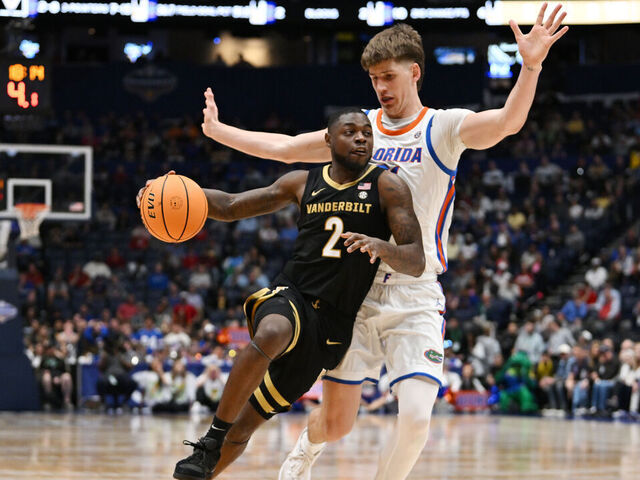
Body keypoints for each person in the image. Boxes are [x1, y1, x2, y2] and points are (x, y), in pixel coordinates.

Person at [196, 5, 568, 479]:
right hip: (354, 293)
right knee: (336, 423)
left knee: (415, 418)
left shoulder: (444, 127)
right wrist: (219, 131)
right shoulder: (358, 133)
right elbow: (288, 148)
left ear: (414, 72)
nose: (382, 88)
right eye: (374, 78)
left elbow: (505, 123)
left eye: (389, 76)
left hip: (415, 291)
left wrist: (530, 66)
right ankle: (308, 446)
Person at [136, 109, 425, 480]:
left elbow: (416, 260)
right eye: (350, 131)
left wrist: (380, 247)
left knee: (245, 427)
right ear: (327, 141)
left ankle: (206, 465)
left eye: (366, 133)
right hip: (294, 292)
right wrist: (171, 193)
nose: (361, 138)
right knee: (272, 331)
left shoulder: (388, 186)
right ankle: (211, 439)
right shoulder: (303, 182)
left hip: (331, 326)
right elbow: (231, 205)